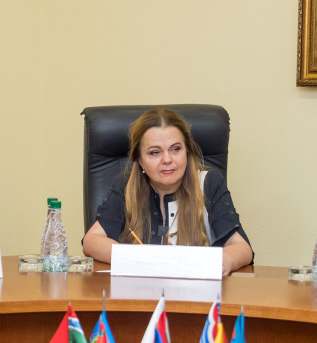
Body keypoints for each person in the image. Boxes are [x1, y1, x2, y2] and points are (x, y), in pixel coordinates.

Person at [82, 108, 253, 275]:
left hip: (195, 290)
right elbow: (91, 241)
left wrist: (222, 262)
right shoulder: (126, 186)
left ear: (187, 152)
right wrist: (136, 259)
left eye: (175, 149)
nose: (167, 159)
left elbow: (242, 248)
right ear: (140, 160)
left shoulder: (208, 183)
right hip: (139, 290)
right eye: (155, 152)